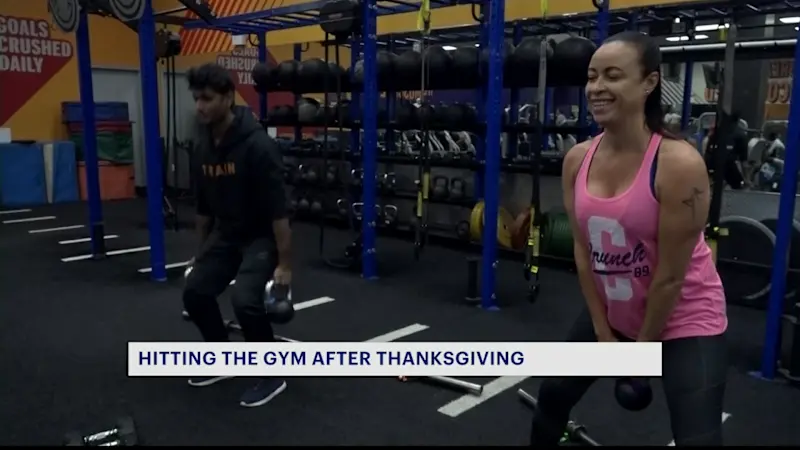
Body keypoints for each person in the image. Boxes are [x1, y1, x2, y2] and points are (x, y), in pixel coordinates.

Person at [529, 31, 728, 446]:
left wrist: (639, 356)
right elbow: (583, 249)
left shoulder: (678, 164)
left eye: (613, 76)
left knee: (699, 439)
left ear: (649, 83)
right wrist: (603, 331)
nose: (597, 88)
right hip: (615, 307)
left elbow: (671, 277)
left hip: (682, 318)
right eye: (592, 77)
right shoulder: (577, 159)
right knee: (552, 396)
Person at [181, 63, 292, 408]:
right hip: (226, 233)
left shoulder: (258, 146)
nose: (200, 106)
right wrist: (201, 253)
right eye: (197, 98)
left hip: (261, 236)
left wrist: (285, 265)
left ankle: (272, 373)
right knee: (195, 292)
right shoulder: (201, 146)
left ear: (228, 98)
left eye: (208, 99)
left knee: (245, 300)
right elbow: (202, 207)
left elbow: (279, 211)